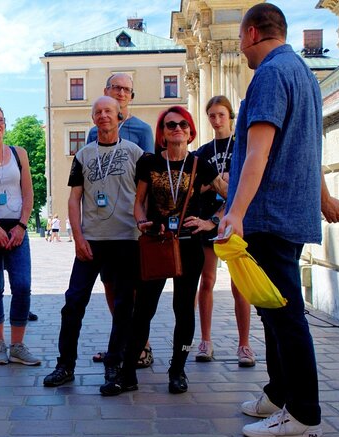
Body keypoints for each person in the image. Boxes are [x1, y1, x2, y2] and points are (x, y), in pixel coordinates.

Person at [218, 4, 333, 437]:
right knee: (272, 309)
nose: (242, 50)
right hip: (290, 211)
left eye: (241, 42)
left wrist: (236, 212)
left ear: (250, 33)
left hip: (269, 214)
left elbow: (258, 152)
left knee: (285, 315)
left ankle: (303, 415)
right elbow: (310, 148)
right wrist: (322, 199)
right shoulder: (304, 73)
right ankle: (279, 392)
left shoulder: (268, 74)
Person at [115, 106, 227, 396]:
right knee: (143, 311)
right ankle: (127, 373)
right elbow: (139, 201)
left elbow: (231, 196)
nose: (177, 129)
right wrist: (140, 221)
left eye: (182, 125)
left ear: (190, 133)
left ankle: (178, 370)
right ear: (162, 134)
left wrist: (210, 221)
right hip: (156, 243)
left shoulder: (200, 164)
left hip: (190, 246)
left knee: (184, 311)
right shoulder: (149, 162)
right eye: (170, 125)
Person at [43, 96, 144, 395]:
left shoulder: (135, 153)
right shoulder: (84, 155)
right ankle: (66, 365)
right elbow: (74, 199)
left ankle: (115, 363)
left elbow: (144, 196)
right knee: (73, 302)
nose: (103, 116)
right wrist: (78, 236)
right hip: (92, 241)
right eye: (98, 112)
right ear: (93, 118)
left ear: (119, 117)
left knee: (125, 305)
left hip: (127, 239)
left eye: (108, 111)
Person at [87, 72, 156, 368]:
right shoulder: (93, 133)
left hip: (132, 222)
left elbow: (151, 175)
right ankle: (121, 342)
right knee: (110, 284)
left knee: (135, 287)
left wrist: (148, 219)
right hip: (103, 224)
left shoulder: (141, 129)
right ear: (106, 90)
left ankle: (143, 346)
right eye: (117, 88)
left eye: (127, 89)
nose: (122, 93)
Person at [193, 96, 255, 366]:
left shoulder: (242, 147)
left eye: (221, 115)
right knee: (206, 281)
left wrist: (227, 184)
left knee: (239, 284)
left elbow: (249, 180)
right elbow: (194, 187)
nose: (216, 120)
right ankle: (205, 340)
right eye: (212, 116)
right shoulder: (203, 152)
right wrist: (215, 184)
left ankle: (244, 344)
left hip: (236, 221)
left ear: (230, 117)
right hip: (207, 221)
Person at [0, 104, 40, 367]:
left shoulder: (19, 153)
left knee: (22, 285)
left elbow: (28, 193)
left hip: (16, 228)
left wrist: (22, 226)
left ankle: (17, 345)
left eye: (0, 120)